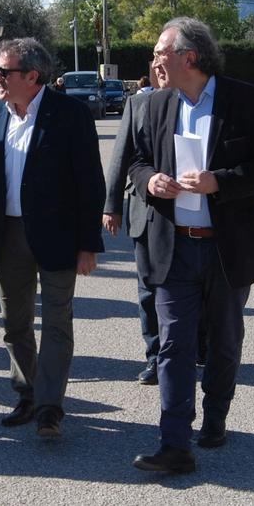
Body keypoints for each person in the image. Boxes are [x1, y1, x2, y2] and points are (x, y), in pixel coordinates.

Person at [127, 18, 254, 473]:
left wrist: (220, 181)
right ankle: (174, 442)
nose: (155, 59)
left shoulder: (247, 101)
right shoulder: (155, 105)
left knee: (224, 340)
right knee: (174, 344)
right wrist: (149, 181)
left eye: (162, 51)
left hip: (227, 247)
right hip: (173, 245)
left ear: (189, 58)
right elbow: (137, 161)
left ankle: (215, 418)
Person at [0, 37, 106, 439]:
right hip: (8, 235)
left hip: (58, 236)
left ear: (32, 76)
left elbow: (90, 182)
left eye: (5, 71)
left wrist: (88, 243)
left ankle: (50, 408)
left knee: (57, 323)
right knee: (14, 323)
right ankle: (27, 392)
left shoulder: (69, 115)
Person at [105, 59, 167, 385]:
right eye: (155, 63)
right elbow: (120, 155)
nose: (159, 68)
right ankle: (155, 357)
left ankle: (192, 347)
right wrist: (111, 206)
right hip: (142, 210)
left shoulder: (195, 104)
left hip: (183, 216)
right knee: (148, 291)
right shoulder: (137, 103)